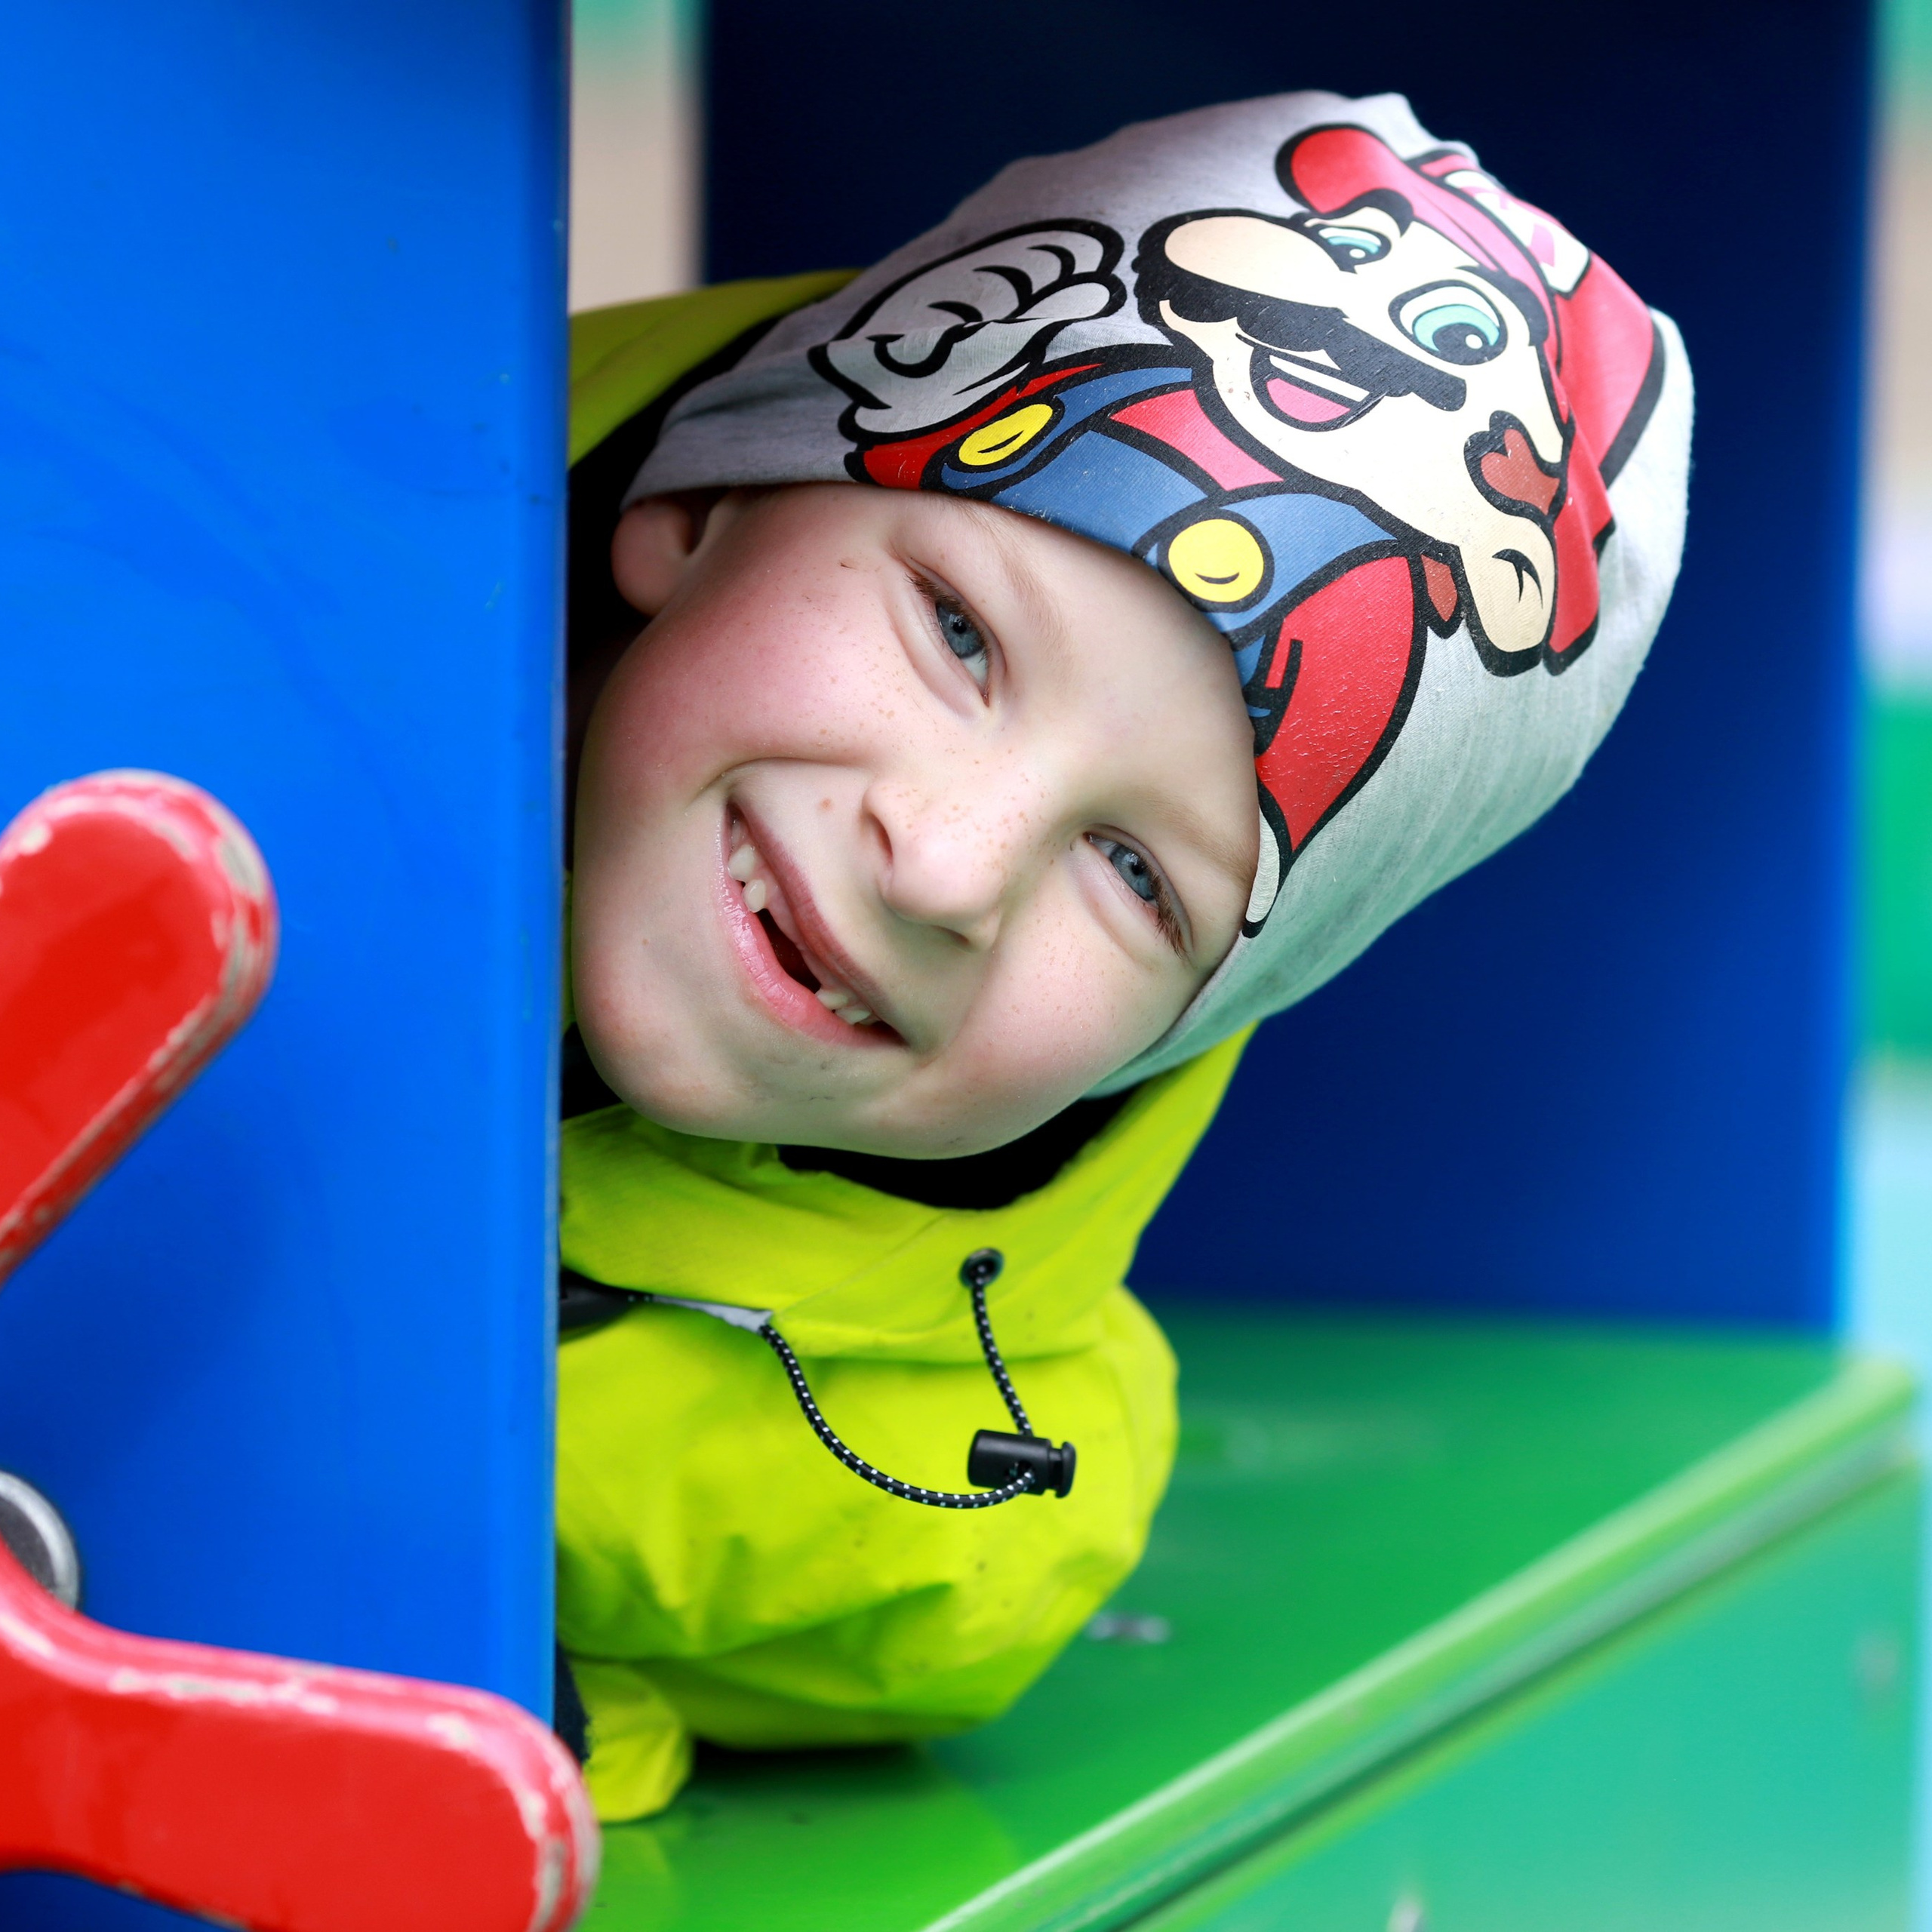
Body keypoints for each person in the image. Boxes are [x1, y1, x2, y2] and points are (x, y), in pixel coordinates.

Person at [555, 89, 1693, 1821]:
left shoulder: (935, 1499)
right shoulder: (135, 566)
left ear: (1180, 1029)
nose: (947, 868)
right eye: (956, 632)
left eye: (1134, 872)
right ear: (699, 506)